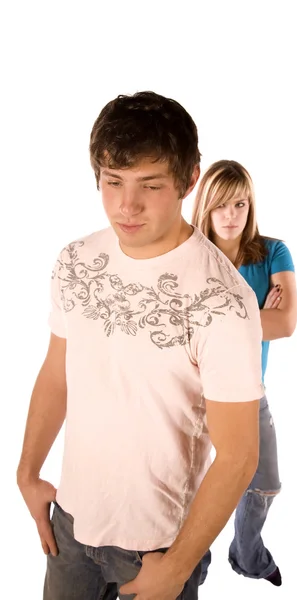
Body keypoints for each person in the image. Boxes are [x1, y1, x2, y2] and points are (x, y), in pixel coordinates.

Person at [16, 92, 266, 600]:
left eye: (149, 186)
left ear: (189, 180)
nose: (125, 206)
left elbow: (239, 456)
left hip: (157, 548)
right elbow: (57, 372)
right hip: (70, 525)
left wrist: (176, 569)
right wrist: (27, 471)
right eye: (112, 183)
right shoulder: (76, 260)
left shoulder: (222, 300)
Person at [192, 159, 297, 586]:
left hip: (249, 391)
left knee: (265, 482)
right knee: (192, 487)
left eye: (240, 204)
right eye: (222, 206)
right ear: (206, 207)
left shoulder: (273, 252)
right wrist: (256, 316)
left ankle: (247, 555)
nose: (232, 216)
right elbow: (185, 331)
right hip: (194, 392)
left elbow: (287, 323)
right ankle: (192, 565)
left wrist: (220, 323)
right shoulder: (191, 258)